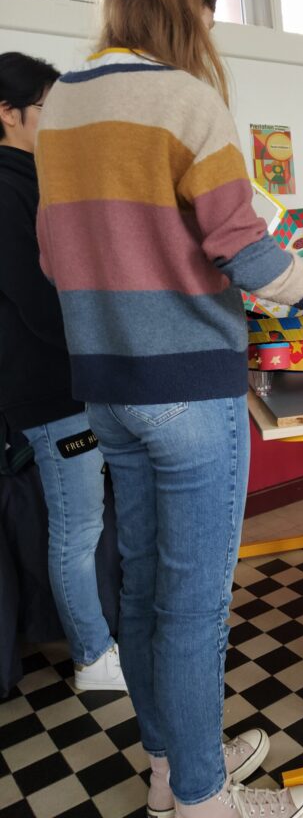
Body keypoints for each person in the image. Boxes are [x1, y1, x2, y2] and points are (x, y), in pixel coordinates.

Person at [34, 0, 303, 818]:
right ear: (184, 2)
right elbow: (244, 253)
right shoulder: (187, 98)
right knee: (192, 608)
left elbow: (53, 256)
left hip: (106, 391)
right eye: (207, 12)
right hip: (189, 390)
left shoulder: (59, 107)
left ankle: (170, 762)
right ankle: (203, 797)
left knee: (144, 590)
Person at [0, 51, 126, 693]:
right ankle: (92, 656)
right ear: (8, 113)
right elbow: (38, 300)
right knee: (77, 531)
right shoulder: (8, 190)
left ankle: (100, 642)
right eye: (45, 108)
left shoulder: (33, 179)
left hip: (67, 384)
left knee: (87, 525)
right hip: (49, 392)